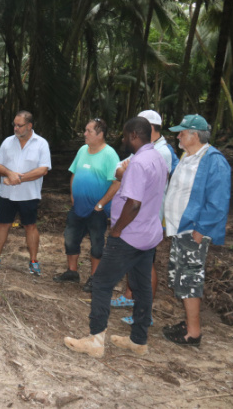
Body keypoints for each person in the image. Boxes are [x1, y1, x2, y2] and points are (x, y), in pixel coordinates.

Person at [64, 117, 168, 358]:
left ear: (133, 135)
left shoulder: (140, 162)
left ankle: (95, 339)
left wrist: (117, 230)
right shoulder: (157, 158)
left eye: (124, 136)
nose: (122, 140)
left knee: (101, 283)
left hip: (130, 235)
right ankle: (138, 340)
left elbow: (133, 204)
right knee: (142, 287)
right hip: (149, 234)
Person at [163, 114, 230, 346]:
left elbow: (218, 202)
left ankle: (193, 333)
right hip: (181, 229)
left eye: (182, 132)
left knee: (190, 278)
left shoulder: (214, 160)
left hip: (193, 231)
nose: (178, 135)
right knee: (181, 277)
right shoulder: (187, 155)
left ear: (194, 135)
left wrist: (201, 230)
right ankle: (189, 325)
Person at [112, 110, 172, 324]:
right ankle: (131, 299)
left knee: (146, 267)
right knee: (138, 265)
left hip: (145, 219)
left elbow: (134, 187)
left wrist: (117, 228)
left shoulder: (160, 153)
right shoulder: (146, 151)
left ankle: (143, 314)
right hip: (137, 221)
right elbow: (119, 169)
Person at [53, 118, 120, 292]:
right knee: (70, 238)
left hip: (97, 210)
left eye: (89, 131)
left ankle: (95, 278)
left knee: (97, 244)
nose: (85, 134)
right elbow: (74, 173)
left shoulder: (110, 154)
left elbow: (117, 183)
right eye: (86, 130)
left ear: (100, 134)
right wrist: (72, 195)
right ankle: (72, 272)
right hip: (78, 207)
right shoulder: (83, 150)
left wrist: (101, 204)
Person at [0, 111, 51, 275]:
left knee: (30, 226)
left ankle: (34, 261)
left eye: (19, 125)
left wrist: (18, 178)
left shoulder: (41, 144)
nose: (16, 128)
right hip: (6, 193)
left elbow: (43, 169)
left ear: (29, 126)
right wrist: (9, 173)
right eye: (14, 125)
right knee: (3, 224)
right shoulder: (7, 142)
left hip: (29, 194)